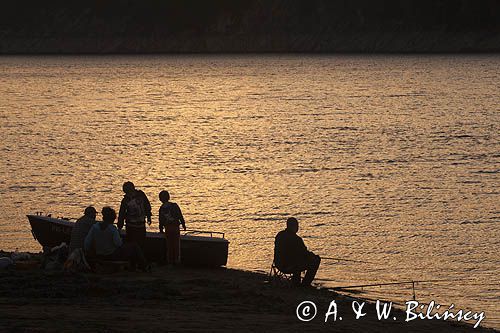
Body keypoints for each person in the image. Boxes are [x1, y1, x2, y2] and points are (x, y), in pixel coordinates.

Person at [85, 206, 148, 271]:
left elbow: (87, 242)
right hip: (111, 255)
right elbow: (118, 244)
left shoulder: (95, 227)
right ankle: (143, 266)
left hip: (99, 254)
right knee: (134, 246)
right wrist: (121, 239)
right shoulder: (112, 228)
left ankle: (134, 266)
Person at [274, 217, 321, 286]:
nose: (298, 228)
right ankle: (305, 284)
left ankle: (296, 281)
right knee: (315, 260)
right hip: (290, 266)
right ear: (294, 227)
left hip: (278, 264)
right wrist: (313, 256)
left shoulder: (279, 235)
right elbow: (305, 253)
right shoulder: (297, 239)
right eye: (297, 226)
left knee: (296, 259)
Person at [118, 181, 152, 250]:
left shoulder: (128, 199)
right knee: (138, 243)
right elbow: (148, 206)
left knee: (136, 243)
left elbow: (122, 213)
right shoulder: (140, 195)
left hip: (136, 225)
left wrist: (119, 225)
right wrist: (149, 217)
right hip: (136, 225)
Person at [159, 190, 186, 265]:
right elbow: (180, 215)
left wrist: (161, 229)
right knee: (176, 244)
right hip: (175, 227)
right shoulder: (174, 205)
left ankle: (170, 260)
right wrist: (183, 224)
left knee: (169, 245)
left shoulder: (161, 208)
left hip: (168, 228)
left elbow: (161, 220)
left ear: (160, 199)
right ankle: (177, 260)